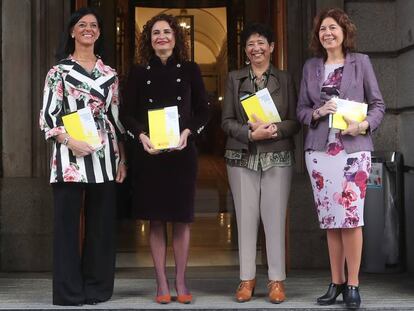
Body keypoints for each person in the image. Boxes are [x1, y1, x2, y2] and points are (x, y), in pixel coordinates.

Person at [296, 8, 385, 310]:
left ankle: (353, 284)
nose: (327, 33)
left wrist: (364, 125)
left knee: (351, 218)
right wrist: (319, 112)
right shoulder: (311, 66)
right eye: (322, 29)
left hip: (353, 150)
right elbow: (301, 111)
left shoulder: (361, 63)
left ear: (344, 32)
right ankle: (335, 282)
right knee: (331, 221)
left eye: (333, 28)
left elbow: (378, 105)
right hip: (319, 153)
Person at [39, 7, 127, 306]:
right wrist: (69, 140)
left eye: (93, 25)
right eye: (82, 24)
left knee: (101, 227)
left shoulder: (110, 74)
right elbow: (48, 117)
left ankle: (98, 288)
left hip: (104, 157)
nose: (88, 29)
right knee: (66, 227)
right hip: (69, 157)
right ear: (72, 31)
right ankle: (68, 292)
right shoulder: (58, 72)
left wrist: (122, 159)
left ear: (99, 33)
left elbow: (116, 120)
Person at [120, 14, 209, 304]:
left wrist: (188, 132)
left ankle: (181, 281)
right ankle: (161, 283)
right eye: (155, 32)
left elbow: (204, 111)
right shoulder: (137, 72)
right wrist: (140, 137)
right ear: (149, 39)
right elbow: (126, 114)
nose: (161, 37)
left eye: (166, 32)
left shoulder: (191, 69)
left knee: (182, 220)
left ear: (175, 37)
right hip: (150, 155)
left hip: (182, 154)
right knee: (156, 221)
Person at [221, 23, 300, 304]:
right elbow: (226, 121)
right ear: (245, 51)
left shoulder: (284, 78)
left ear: (272, 47)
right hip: (242, 157)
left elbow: (295, 120)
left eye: (261, 43)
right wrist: (250, 133)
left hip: (277, 155)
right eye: (250, 44)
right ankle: (247, 279)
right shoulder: (234, 78)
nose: (256, 48)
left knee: (275, 219)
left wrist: (276, 130)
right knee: (245, 218)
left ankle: (276, 281)